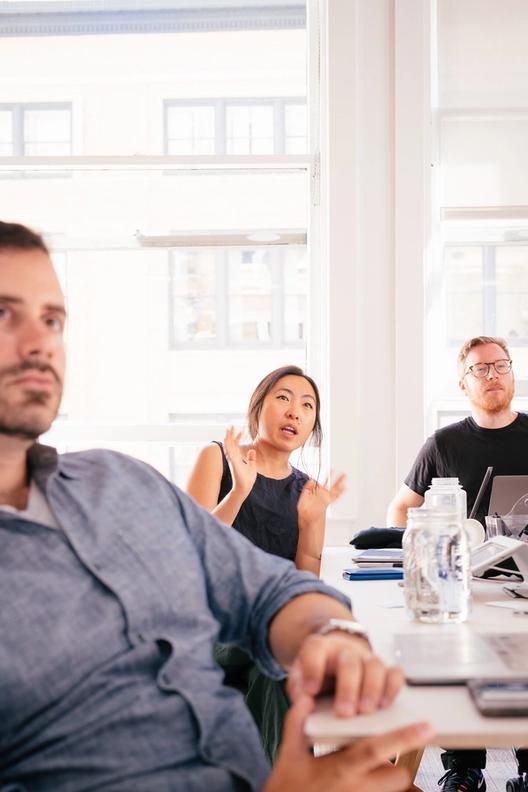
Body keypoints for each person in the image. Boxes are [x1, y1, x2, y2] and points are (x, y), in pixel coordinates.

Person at [0, 219, 433, 792]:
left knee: (401, 755)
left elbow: (273, 588)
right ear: (259, 406)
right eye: (5, 314)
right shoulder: (220, 460)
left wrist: (330, 633)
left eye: (53, 319)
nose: (41, 342)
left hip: (255, 752)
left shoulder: (119, 482)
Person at [387, 335, 528, 792]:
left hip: (524, 578)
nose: (493, 375)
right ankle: (464, 767)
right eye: (480, 369)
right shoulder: (443, 444)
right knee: (456, 661)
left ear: (512, 373)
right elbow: (399, 510)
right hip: (461, 579)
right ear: (463, 384)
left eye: (500, 365)